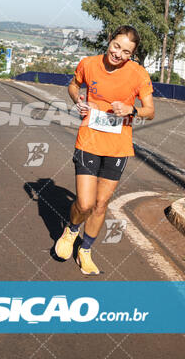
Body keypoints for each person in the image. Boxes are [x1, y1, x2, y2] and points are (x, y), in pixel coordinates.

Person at [54, 25, 154, 275]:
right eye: (116, 46)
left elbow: (150, 111)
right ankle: (71, 231)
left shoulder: (138, 74)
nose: (119, 54)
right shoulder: (88, 64)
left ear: (132, 55)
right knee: (85, 203)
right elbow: (73, 86)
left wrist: (132, 111)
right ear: (110, 40)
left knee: (100, 204)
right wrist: (77, 99)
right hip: (89, 139)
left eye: (126, 52)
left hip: (119, 146)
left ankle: (85, 250)